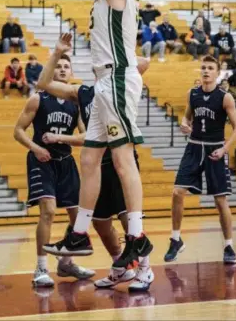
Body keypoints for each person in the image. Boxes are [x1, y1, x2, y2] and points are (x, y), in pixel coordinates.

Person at [41, 0, 153, 271]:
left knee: (123, 161)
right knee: (90, 159)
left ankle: (137, 236)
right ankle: (79, 233)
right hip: (105, 82)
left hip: (118, 80)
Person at [38, 34, 154, 292]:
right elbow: (44, 83)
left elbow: (144, 62)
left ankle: (145, 270)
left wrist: (117, 57)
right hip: (98, 167)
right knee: (101, 223)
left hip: (120, 162)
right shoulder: (83, 92)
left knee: (127, 219)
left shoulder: (120, 81)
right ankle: (119, 268)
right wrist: (57, 52)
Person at [13, 53, 94, 287]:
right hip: (42, 161)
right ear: (51, 71)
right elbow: (18, 130)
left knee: (78, 217)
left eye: (66, 66)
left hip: (66, 161)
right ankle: (40, 268)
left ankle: (66, 262)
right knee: (48, 211)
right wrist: (36, 147)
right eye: (57, 66)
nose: (61, 70)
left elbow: (86, 135)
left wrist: (62, 137)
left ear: (71, 73)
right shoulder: (38, 99)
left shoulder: (76, 103)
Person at [164, 55, 236, 265]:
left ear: (217, 73)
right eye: (203, 68)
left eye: (210, 68)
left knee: (220, 200)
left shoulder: (225, 97)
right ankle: (175, 238)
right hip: (194, 147)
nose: (206, 71)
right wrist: (184, 124)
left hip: (215, 149)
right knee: (177, 192)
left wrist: (225, 149)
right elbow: (186, 117)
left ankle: (228, 245)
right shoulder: (193, 94)